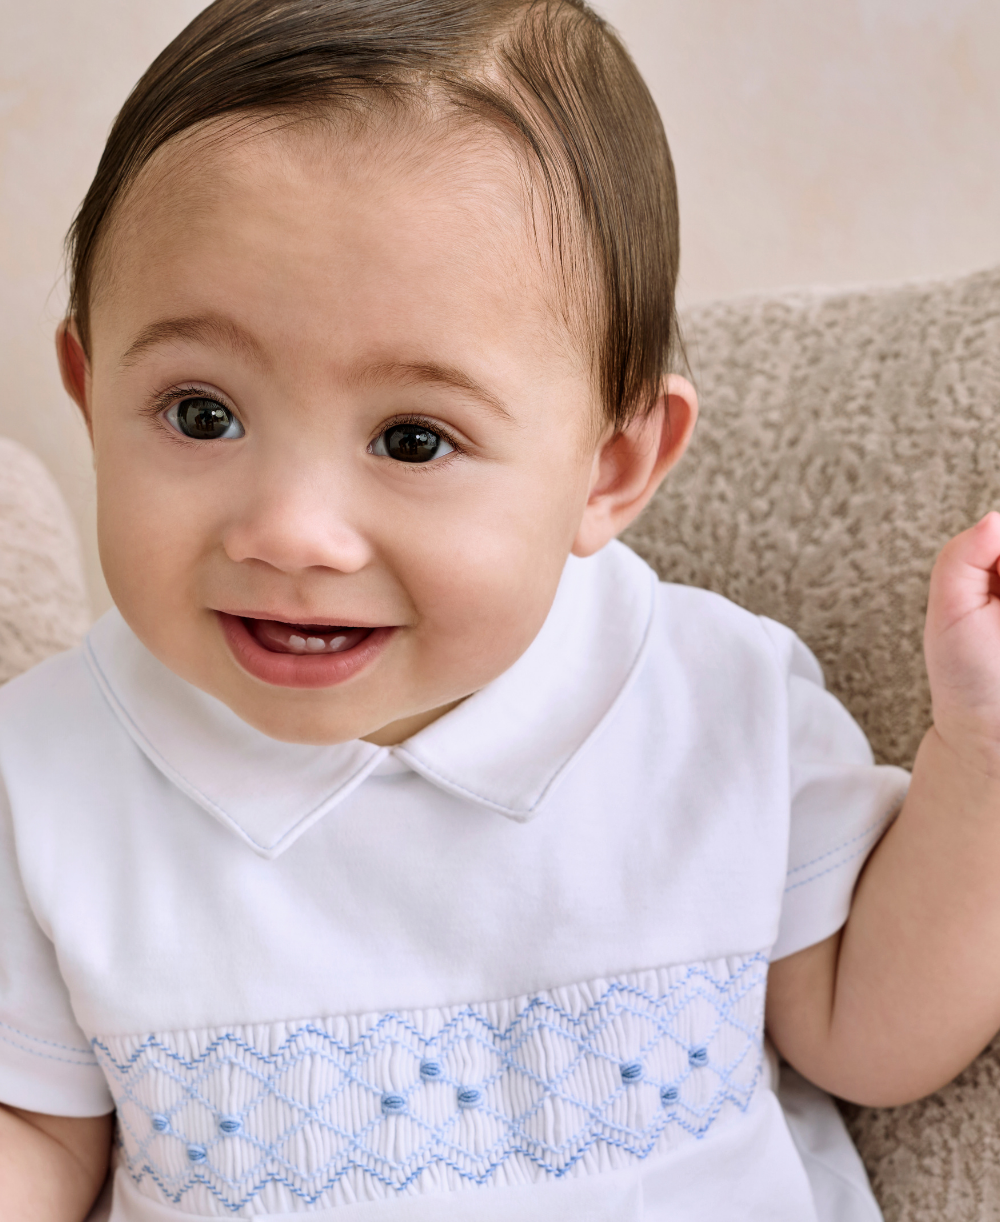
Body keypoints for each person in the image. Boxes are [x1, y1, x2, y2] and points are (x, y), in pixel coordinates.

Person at [3, 1, 1000, 1219]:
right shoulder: (44, 775)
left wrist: (983, 757)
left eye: (412, 438)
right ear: (90, 390)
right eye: (201, 413)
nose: (288, 531)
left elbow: (869, 1033)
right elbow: (46, 1141)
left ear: (610, 470)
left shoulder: (710, 699)